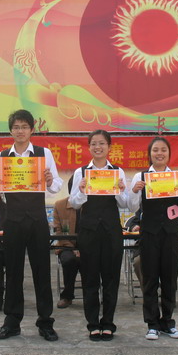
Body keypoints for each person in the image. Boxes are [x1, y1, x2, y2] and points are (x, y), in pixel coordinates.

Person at [0, 109, 62, 341]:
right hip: (13, 220)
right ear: (11, 131)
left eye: (24, 127)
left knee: (42, 271)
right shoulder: (1, 157)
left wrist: (50, 180)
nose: (20, 131)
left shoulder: (43, 154)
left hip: (38, 219)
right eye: (16, 127)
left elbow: (56, 186)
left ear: (31, 130)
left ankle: (45, 322)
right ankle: (12, 322)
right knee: (13, 272)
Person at [128, 136, 178, 341]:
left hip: (171, 233)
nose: (159, 153)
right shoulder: (140, 176)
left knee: (170, 278)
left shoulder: (177, 176)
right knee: (150, 279)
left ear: (169, 153)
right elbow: (131, 206)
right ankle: (152, 324)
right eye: (155, 150)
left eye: (163, 150)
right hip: (149, 234)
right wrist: (135, 191)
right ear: (150, 154)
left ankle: (168, 322)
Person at [68, 129, 128, 342]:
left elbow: (125, 204)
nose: (98, 147)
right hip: (89, 232)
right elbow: (74, 203)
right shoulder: (81, 172)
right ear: (89, 147)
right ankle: (93, 324)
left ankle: (108, 323)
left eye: (102, 143)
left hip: (111, 231)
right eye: (93, 143)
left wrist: (121, 190)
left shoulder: (118, 172)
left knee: (111, 279)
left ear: (109, 147)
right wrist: (81, 190)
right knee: (90, 278)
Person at [52, 177, 80, 309]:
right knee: (69, 260)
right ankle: (67, 296)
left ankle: (92, 294)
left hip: (89, 245)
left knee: (93, 259)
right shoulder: (60, 205)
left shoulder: (90, 206)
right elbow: (59, 232)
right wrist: (73, 249)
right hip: (66, 246)